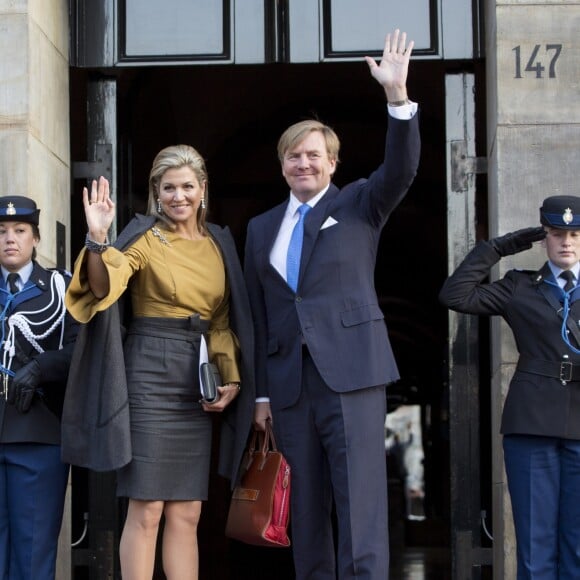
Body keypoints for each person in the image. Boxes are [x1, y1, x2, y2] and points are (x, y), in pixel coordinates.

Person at [244, 29, 420, 579]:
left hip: (351, 375)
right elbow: (257, 314)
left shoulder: (361, 203)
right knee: (306, 509)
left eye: (314, 156)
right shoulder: (260, 228)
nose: (304, 164)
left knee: (360, 506)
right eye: (293, 157)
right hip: (290, 387)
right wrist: (262, 395)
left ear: (333, 163)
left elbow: (402, 168)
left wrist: (397, 98)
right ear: (282, 166)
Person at [62, 145, 254, 580]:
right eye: (169, 188)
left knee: (186, 512)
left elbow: (221, 320)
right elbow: (103, 284)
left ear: (203, 189)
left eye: (188, 186)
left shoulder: (219, 243)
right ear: (156, 192)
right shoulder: (147, 237)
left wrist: (230, 378)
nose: (179, 196)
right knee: (147, 509)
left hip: (196, 379)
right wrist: (97, 239)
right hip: (149, 373)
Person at [438, 195, 580, 578]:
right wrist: (500, 247)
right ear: (543, 237)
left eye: (574, 233)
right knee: (534, 546)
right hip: (531, 423)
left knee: (578, 544)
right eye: (556, 233)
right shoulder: (520, 286)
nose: (566, 242)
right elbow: (455, 295)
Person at [0, 196, 78, 579]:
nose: (9, 239)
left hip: (38, 432)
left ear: (35, 238)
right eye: (0, 232)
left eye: (19, 231)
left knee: (32, 556)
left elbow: (85, 347)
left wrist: (42, 367)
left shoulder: (61, 287)